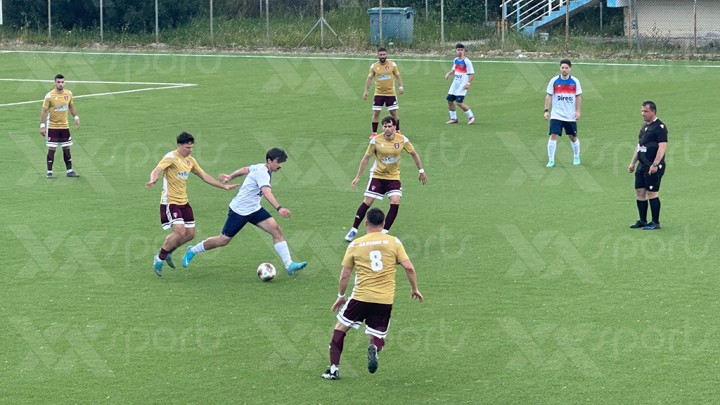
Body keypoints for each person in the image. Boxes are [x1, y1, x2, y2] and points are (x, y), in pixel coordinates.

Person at [322, 207, 423, 380]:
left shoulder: (355, 244)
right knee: (377, 335)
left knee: (340, 329)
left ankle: (333, 370)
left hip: (360, 297)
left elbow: (345, 274)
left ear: (366, 223)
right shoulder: (394, 242)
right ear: (383, 223)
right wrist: (414, 288)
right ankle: (374, 347)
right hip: (384, 299)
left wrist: (341, 296)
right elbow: (409, 267)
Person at [182, 148, 308, 275]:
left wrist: (230, 176)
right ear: (269, 161)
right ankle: (193, 250)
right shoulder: (262, 172)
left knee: (276, 231)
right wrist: (279, 208)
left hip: (254, 209)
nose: (280, 165)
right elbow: (266, 192)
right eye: (278, 162)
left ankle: (289, 265)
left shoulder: (261, 167)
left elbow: (245, 169)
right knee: (223, 240)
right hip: (239, 211)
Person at [145, 132, 238, 277]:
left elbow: (204, 175)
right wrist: (153, 179)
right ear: (179, 145)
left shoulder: (190, 160)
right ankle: (159, 257)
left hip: (184, 201)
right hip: (170, 202)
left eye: (191, 147)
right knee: (180, 232)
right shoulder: (171, 157)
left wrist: (223, 186)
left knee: (190, 234)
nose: (190, 150)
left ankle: (169, 251)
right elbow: (156, 170)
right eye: (187, 147)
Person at [344, 116, 428, 242]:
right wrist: (358, 177)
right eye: (385, 126)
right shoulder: (376, 140)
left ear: (394, 127)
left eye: (389, 126)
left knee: (395, 201)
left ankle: (384, 232)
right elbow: (366, 158)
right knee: (367, 201)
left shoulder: (402, 140)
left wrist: (421, 171)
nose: (387, 129)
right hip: (377, 175)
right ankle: (353, 229)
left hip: (393, 176)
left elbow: (414, 154)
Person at [628, 101, 668, 231]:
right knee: (640, 192)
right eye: (642, 111)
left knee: (652, 193)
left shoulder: (660, 127)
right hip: (642, 165)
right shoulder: (644, 127)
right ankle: (642, 220)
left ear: (653, 111)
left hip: (653, 166)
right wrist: (633, 162)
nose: (642, 113)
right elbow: (639, 146)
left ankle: (655, 222)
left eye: (645, 111)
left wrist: (655, 164)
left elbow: (662, 148)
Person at [40, 74, 81, 178]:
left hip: (64, 126)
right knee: (52, 148)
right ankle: (49, 172)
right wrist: (42, 126)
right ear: (54, 83)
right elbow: (44, 111)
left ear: (64, 82)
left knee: (66, 147)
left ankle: (69, 171)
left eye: (62, 82)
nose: (60, 84)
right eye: (58, 82)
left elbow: (70, 106)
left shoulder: (68, 94)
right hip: (52, 126)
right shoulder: (49, 96)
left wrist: (76, 117)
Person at [543, 59, 582, 168]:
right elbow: (548, 96)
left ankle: (576, 157)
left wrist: (578, 111)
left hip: (570, 115)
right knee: (553, 135)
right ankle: (551, 160)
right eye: (562, 67)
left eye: (566, 68)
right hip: (556, 114)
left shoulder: (575, 81)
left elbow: (578, 97)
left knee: (573, 137)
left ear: (570, 69)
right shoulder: (554, 81)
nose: (564, 70)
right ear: (560, 68)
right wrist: (546, 110)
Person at [363, 47, 404, 138]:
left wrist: (401, 86)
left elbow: (398, 75)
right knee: (376, 113)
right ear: (378, 55)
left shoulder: (392, 64)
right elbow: (369, 78)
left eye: (384, 54)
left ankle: (397, 131)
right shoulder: (374, 66)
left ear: (386, 55)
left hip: (390, 93)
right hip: (378, 94)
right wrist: (366, 91)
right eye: (380, 55)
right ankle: (374, 133)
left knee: (393, 113)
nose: (382, 56)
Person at [444, 43, 475, 125]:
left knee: (459, 102)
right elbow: (454, 70)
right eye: (458, 50)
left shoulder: (467, 61)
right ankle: (453, 119)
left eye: (461, 50)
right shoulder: (455, 60)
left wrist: (468, 83)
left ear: (464, 51)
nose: (460, 51)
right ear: (456, 51)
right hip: (455, 83)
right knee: (450, 101)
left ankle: (471, 117)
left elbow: (472, 73)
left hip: (462, 84)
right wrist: (448, 73)